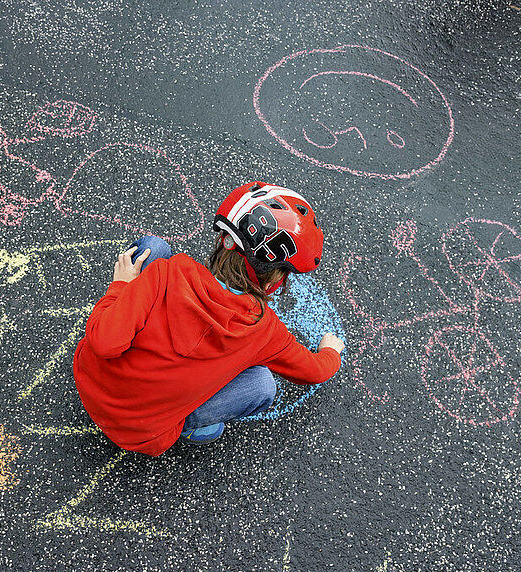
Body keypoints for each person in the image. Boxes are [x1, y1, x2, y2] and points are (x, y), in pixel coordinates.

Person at [72, 181, 346, 456]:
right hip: (145, 433)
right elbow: (314, 371)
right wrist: (330, 352)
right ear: (276, 281)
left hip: (91, 385)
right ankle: (187, 425)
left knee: (151, 248)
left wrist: (120, 287)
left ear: (224, 241)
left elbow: (104, 343)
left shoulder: (169, 271)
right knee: (262, 384)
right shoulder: (264, 331)